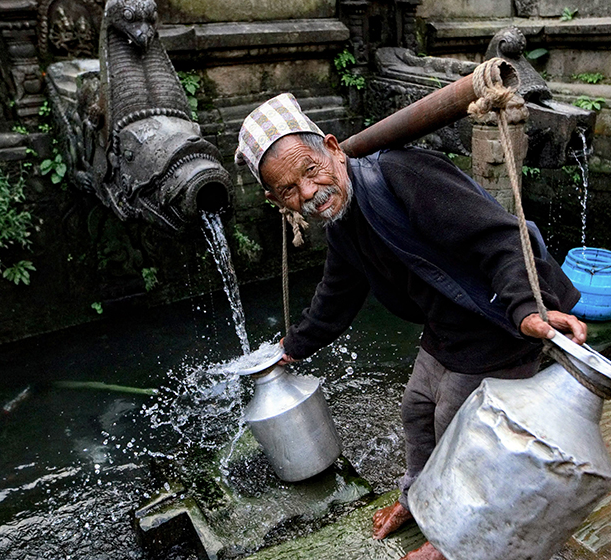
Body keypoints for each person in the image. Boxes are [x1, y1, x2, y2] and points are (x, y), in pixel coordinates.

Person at [235, 93, 586, 560]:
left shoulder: (402, 174)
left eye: (309, 171)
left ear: (334, 148)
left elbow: (500, 237)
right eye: (287, 191)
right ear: (275, 200)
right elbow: (336, 296)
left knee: (461, 435)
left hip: (497, 319)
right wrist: (294, 347)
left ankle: (451, 538)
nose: (307, 194)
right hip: (446, 327)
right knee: (417, 412)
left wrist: (527, 309)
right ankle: (415, 499)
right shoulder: (343, 221)